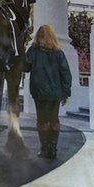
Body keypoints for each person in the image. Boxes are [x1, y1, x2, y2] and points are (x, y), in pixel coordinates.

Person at [23, 24, 71, 159]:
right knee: (54, 120)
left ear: (38, 35)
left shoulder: (34, 50)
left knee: (42, 120)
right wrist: (66, 92)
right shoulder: (59, 53)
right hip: (55, 93)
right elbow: (66, 73)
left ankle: (44, 149)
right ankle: (53, 149)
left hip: (39, 92)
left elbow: (25, 66)